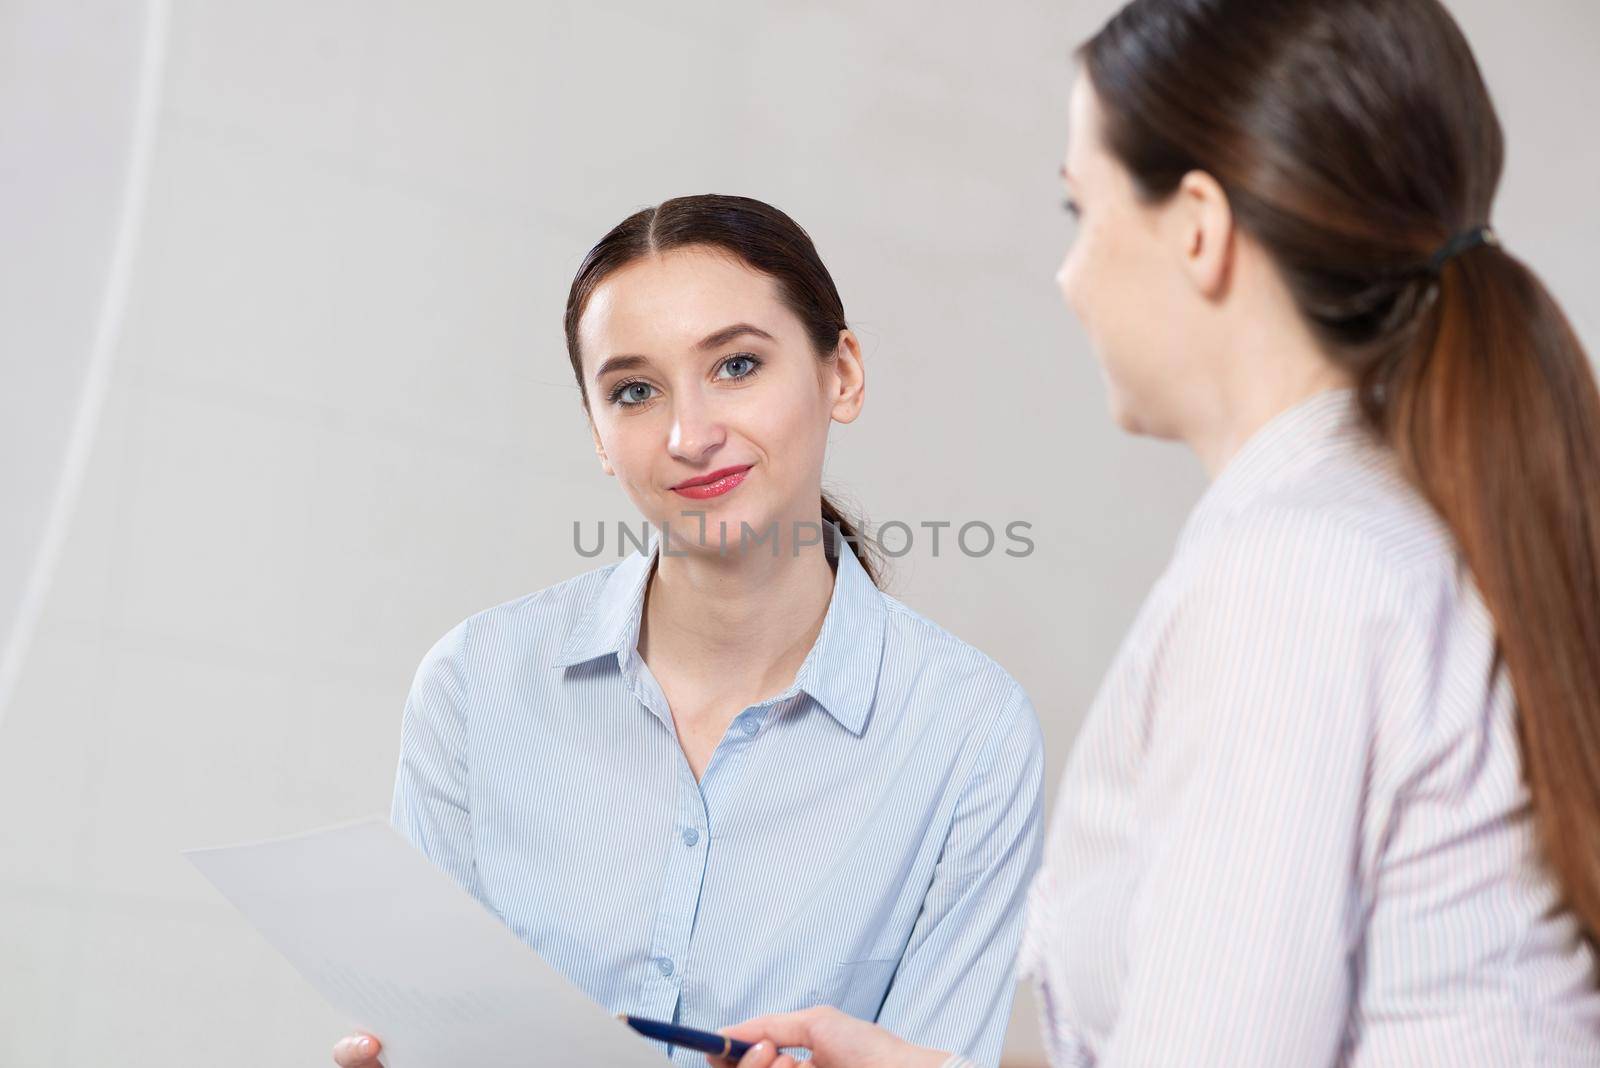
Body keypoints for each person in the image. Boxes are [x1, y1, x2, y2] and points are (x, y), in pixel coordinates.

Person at [713, 1, 1600, 1065]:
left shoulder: (1293, 577)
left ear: (1196, 225)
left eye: (1078, 209)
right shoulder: (1394, 532)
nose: (1067, 274)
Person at [330, 194, 1045, 1068]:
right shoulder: (476, 684)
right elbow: (435, 1030)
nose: (690, 434)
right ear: (598, 431)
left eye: (738, 366)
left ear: (842, 374)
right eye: (634, 391)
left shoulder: (969, 734)